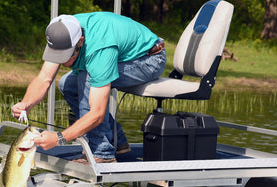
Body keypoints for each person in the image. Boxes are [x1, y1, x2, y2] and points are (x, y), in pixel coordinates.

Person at [11, 12, 166, 164]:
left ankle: (102, 154)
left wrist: (58, 138)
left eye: (66, 56)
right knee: (67, 84)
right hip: (118, 56)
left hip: (149, 59)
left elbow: (97, 113)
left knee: (87, 77)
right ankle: (118, 142)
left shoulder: (99, 48)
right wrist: (26, 104)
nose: (63, 63)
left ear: (80, 41)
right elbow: (44, 78)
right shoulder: (61, 33)